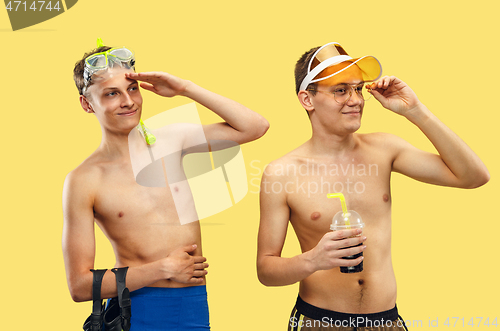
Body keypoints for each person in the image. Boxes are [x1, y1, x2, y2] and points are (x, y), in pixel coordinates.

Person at [256, 42, 489, 330]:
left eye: (358, 88)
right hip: (320, 321)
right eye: (340, 90)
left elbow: (473, 176)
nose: (355, 99)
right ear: (307, 99)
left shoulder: (384, 149)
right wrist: (313, 260)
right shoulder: (281, 174)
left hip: (386, 322)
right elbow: (266, 270)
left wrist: (415, 111)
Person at [62, 40, 269, 330]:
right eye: (112, 94)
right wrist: (162, 269)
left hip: (194, 305)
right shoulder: (84, 180)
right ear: (87, 104)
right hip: (137, 310)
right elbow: (80, 285)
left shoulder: (172, 141)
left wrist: (185, 88)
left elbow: (254, 126)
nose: (128, 101)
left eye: (132, 88)